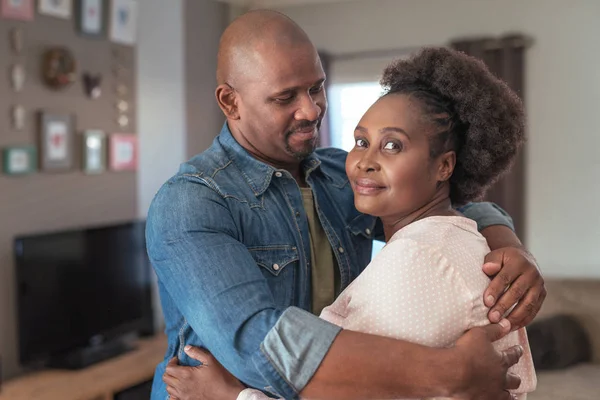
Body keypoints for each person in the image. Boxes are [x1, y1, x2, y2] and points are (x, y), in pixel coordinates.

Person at [146, 10, 546, 400]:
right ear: (230, 102)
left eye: (316, 88)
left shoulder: (341, 175)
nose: (311, 110)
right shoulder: (191, 202)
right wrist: (448, 373)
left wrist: (509, 247)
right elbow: (256, 342)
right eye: (285, 97)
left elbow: (441, 204)